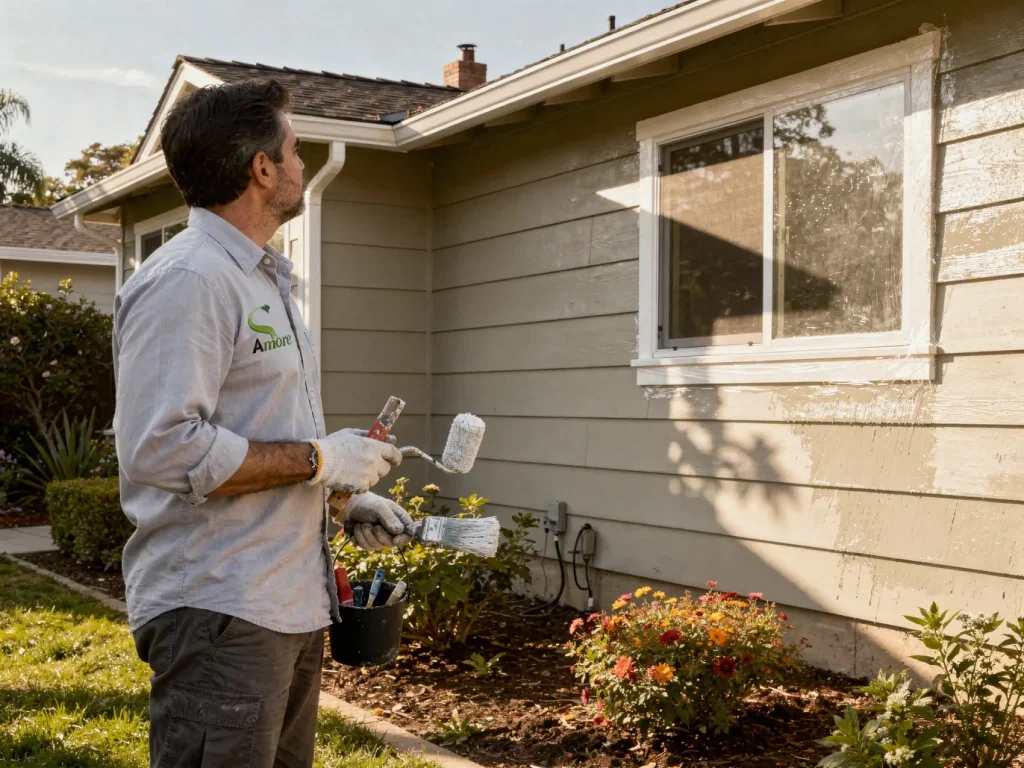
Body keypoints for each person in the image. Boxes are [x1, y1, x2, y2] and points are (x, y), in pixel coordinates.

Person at [112, 78, 414, 768]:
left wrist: (338, 498)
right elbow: (162, 448)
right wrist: (318, 460)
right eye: (296, 150)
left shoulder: (260, 279)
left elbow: (252, 427)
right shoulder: (190, 280)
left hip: (283, 603)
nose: (303, 166)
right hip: (221, 610)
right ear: (262, 168)